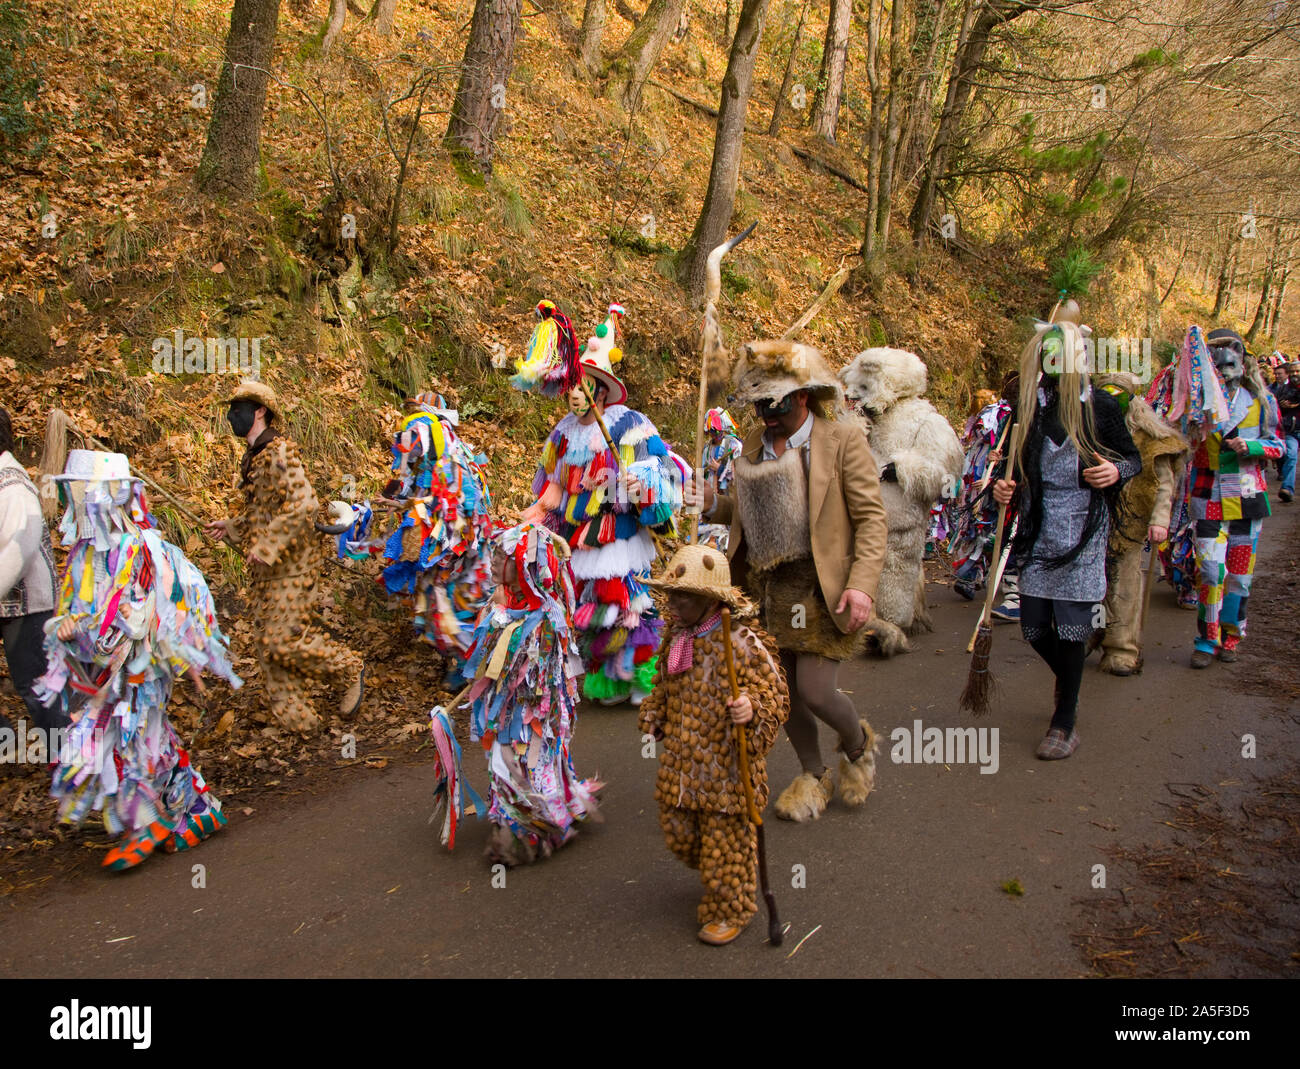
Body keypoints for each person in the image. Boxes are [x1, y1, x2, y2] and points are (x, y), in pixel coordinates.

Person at [696, 340, 887, 822]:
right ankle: (813, 772)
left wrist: (862, 585)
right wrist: (710, 504)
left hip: (824, 587)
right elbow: (747, 515)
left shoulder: (843, 441)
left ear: (802, 396)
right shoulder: (756, 448)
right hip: (766, 586)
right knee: (779, 694)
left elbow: (871, 519)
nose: (767, 414)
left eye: (776, 403)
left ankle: (857, 743)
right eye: (760, 404)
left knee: (815, 692)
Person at [35, 450, 239, 869]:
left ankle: (143, 823)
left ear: (106, 494)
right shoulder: (82, 554)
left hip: (140, 665)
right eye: (69, 488)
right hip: (102, 668)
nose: (73, 496)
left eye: (80, 488)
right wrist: (68, 626)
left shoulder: (138, 548)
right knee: (147, 738)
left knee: (134, 737)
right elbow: (73, 607)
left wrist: (118, 629)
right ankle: (199, 810)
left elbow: (144, 610)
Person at [992, 313, 1140, 759]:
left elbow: (1132, 460)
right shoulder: (1029, 406)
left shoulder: (1103, 408)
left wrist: (1115, 471)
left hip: (1084, 527)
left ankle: (1065, 718)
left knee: (1073, 627)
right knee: (1035, 627)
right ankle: (1069, 679)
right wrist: (1004, 486)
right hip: (1039, 527)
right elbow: (1011, 464)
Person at [638, 544, 789, 946]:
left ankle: (731, 904)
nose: (673, 603)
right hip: (683, 767)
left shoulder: (740, 640)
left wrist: (752, 708)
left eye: (683, 596)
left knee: (726, 843)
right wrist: (655, 714)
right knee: (679, 831)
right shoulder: (677, 638)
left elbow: (772, 691)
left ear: (710, 599)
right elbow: (664, 688)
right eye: (671, 595)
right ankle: (723, 873)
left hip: (726, 770)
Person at [523, 346, 681, 706]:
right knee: (593, 605)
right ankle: (610, 679)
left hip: (618, 528)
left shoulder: (629, 424)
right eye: (573, 386)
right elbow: (555, 487)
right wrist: (541, 515)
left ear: (602, 390)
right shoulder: (561, 434)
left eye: (584, 386)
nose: (575, 394)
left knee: (625, 601)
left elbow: (659, 468)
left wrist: (642, 485)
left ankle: (643, 672)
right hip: (579, 534)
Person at [206, 380, 365, 733]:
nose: (231, 415)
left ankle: (347, 668)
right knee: (268, 649)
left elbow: (304, 505)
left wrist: (266, 546)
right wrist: (232, 526)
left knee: (283, 641)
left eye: (238, 408)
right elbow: (266, 512)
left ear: (259, 411)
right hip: (268, 571)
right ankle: (301, 723)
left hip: (292, 568)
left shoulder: (278, 453)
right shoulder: (256, 457)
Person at [458, 521, 601, 866]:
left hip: (530, 718)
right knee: (503, 767)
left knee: (518, 765)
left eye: (502, 556)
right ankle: (519, 828)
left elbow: (539, 684)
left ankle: (522, 836)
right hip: (504, 715)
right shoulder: (497, 606)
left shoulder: (545, 621)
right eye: (493, 554)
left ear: (526, 566)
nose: (492, 561)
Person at [348, 392, 494, 669]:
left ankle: (469, 661)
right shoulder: (421, 462)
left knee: (459, 598)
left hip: (460, 546)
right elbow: (404, 482)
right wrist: (389, 501)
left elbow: (463, 507)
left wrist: (426, 511)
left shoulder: (453, 463)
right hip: (434, 545)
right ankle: (452, 656)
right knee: (434, 599)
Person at [840, 347, 964, 655]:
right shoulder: (857, 418)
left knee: (892, 574)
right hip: (853, 515)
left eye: (865, 388)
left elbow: (949, 475)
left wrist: (906, 469)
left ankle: (887, 629)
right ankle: (859, 622)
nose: (856, 394)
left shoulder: (924, 421)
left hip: (898, 522)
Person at [1185, 329, 1283, 668]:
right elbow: (1181, 440)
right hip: (1207, 496)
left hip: (1246, 497)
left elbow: (1279, 445)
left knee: (1240, 576)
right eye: (1216, 355)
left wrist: (1253, 447)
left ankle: (1232, 635)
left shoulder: (1261, 401)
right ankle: (1206, 639)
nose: (1224, 363)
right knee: (1210, 572)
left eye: (1230, 354)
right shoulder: (1195, 400)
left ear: (1242, 359)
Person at [1093, 373, 1189, 676]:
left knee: (1124, 586)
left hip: (1129, 524)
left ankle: (1121, 649)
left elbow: (1163, 483)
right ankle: (1086, 637)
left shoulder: (1149, 440)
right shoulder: (1090, 430)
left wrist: (1160, 521)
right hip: (1091, 523)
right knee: (1089, 587)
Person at [0, 407, 64, 740]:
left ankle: (73, 756)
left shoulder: (12, 485)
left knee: (36, 683)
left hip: (25, 604)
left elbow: (18, 550)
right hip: (7, 601)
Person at [1275, 360, 1299, 504]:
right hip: (1291, 429)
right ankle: (1287, 489)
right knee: (1291, 456)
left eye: (1298, 371)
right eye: (1292, 372)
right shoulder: (1284, 390)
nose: (1295, 375)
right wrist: (1283, 406)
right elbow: (1276, 410)